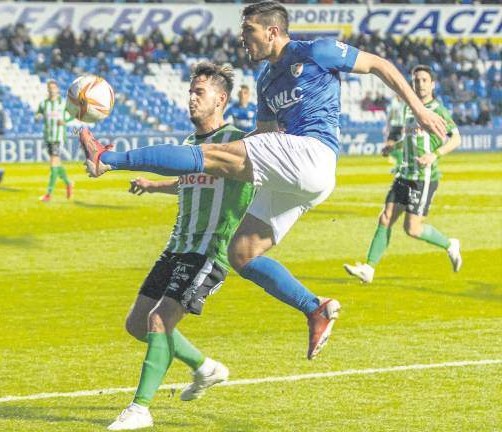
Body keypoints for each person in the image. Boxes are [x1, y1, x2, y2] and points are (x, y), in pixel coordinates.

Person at [78, 1, 448, 389]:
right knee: (242, 252)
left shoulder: (315, 51)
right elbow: (262, 135)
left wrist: (419, 110)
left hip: (313, 154)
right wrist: (220, 157)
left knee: (210, 157)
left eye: (249, 30)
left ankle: (109, 157)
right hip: (295, 171)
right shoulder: (266, 80)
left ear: (272, 31)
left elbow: (380, 66)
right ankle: (315, 308)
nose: (243, 38)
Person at [108, 63, 256, 431]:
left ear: (221, 99)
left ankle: (140, 409)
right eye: (190, 91)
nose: (191, 98)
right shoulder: (192, 146)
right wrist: (154, 185)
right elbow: (190, 181)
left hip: (211, 249)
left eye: (199, 92)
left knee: (160, 319)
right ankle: (205, 368)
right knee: (137, 324)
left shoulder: (239, 142)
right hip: (178, 246)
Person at [344, 65, 462, 283]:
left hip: (423, 177)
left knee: (412, 229)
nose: (420, 84)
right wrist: (394, 147)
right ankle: (368, 268)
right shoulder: (408, 108)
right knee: (386, 217)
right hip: (404, 174)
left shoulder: (438, 109)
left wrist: (434, 155)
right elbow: (409, 138)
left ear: (432, 84)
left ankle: (450, 244)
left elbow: (456, 138)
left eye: (424, 80)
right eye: (416, 80)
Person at [36, 80, 73, 202]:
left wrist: (65, 122)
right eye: (50, 88)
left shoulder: (63, 103)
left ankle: (48, 194)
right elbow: (38, 114)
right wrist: (37, 117)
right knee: (56, 163)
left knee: (53, 162)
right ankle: (68, 183)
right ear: (48, 90)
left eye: (54, 88)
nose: (52, 90)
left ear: (57, 90)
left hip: (58, 137)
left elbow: (74, 113)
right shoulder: (43, 104)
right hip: (48, 136)